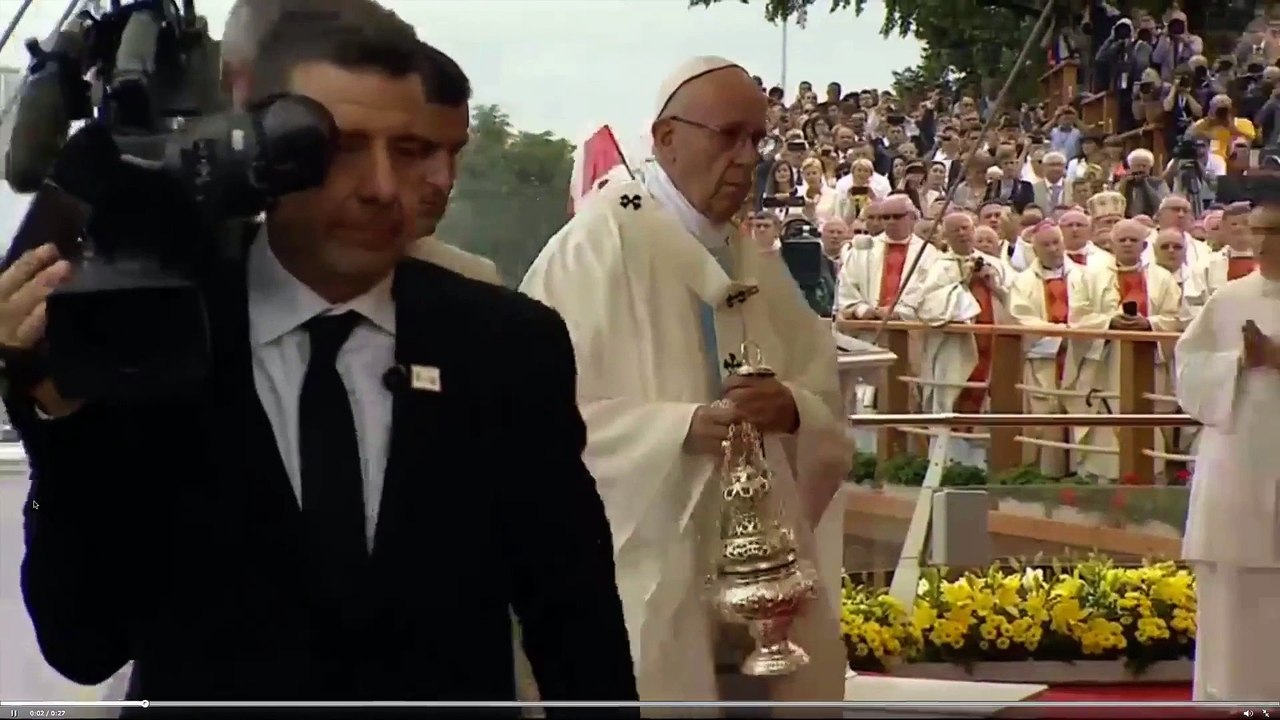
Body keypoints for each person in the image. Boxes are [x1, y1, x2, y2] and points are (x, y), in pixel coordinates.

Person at [0, 8, 637, 712]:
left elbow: (578, 633)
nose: (383, 187)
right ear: (256, 140)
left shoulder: (508, 348)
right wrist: (58, 421)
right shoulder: (159, 334)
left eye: (409, 148)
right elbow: (84, 641)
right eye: (342, 147)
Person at [519, 57, 849, 705]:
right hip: (642, 559)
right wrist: (680, 427)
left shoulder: (751, 257)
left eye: (758, 138)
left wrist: (789, 407)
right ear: (666, 138)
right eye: (728, 135)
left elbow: (820, 391)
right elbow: (533, 416)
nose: (748, 156)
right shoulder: (591, 249)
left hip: (760, 563)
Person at [1177, 201, 1280, 703]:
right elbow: (1189, 367)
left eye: (1274, 233)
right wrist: (1239, 360)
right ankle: (1235, 703)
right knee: (1233, 590)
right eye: (1256, 231)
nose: (1262, 244)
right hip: (1237, 457)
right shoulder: (1228, 298)